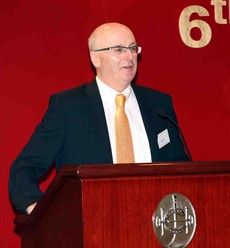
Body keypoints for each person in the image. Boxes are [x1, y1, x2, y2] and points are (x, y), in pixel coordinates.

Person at [9, 22, 189, 215]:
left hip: (154, 225)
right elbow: (25, 168)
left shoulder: (158, 104)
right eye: (119, 50)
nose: (129, 56)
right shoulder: (68, 107)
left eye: (132, 48)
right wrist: (38, 210)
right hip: (91, 227)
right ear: (96, 58)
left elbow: (181, 168)